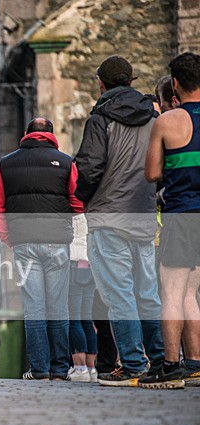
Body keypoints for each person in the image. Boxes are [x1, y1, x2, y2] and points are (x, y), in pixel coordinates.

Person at [75, 55, 164, 387]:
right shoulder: (154, 118)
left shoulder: (100, 119)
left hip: (108, 217)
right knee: (148, 294)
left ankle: (132, 364)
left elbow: (89, 168)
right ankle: (161, 360)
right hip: (143, 215)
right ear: (130, 81)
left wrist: (83, 199)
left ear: (101, 83)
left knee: (119, 295)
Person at [0, 117, 83, 380]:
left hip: (24, 243)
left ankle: (39, 368)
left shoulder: (6, 164)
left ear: (26, 134)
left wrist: (10, 238)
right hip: (57, 241)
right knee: (58, 307)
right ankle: (60, 368)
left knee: (34, 307)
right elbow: (78, 203)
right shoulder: (66, 162)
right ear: (51, 135)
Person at [142, 52, 200, 388]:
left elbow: (152, 173)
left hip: (180, 213)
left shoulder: (167, 121)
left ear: (175, 83)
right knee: (192, 292)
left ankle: (171, 366)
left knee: (173, 292)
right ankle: (195, 363)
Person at [66, 214, 98, 383]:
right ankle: (91, 369)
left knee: (74, 319)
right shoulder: (91, 208)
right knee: (87, 318)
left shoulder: (73, 210)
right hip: (90, 262)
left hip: (75, 262)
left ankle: (80, 368)